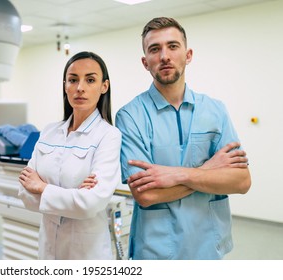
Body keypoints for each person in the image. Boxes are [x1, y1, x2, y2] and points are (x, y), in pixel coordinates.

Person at [115, 17, 251, 260]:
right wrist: (210, 170)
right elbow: (146, 195)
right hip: (157, 251)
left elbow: (241, 181)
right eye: (155, 49)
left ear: (188, 55)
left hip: (210, 246)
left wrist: (178, 175)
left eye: (173, 46)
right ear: (145, 62)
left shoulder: (215, 110)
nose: (164, 56)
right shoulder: (130, 116)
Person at [18, 51, 122, 260]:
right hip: (48, 247)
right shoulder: (49, 132)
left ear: (104, 86)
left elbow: (90, 204)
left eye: (90, 80)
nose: (80, 88)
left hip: (86, 252)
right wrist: (74, 196)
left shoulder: (108, 135)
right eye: (73, 80)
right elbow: (24, 193)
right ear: (65, 85)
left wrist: (42, 187)